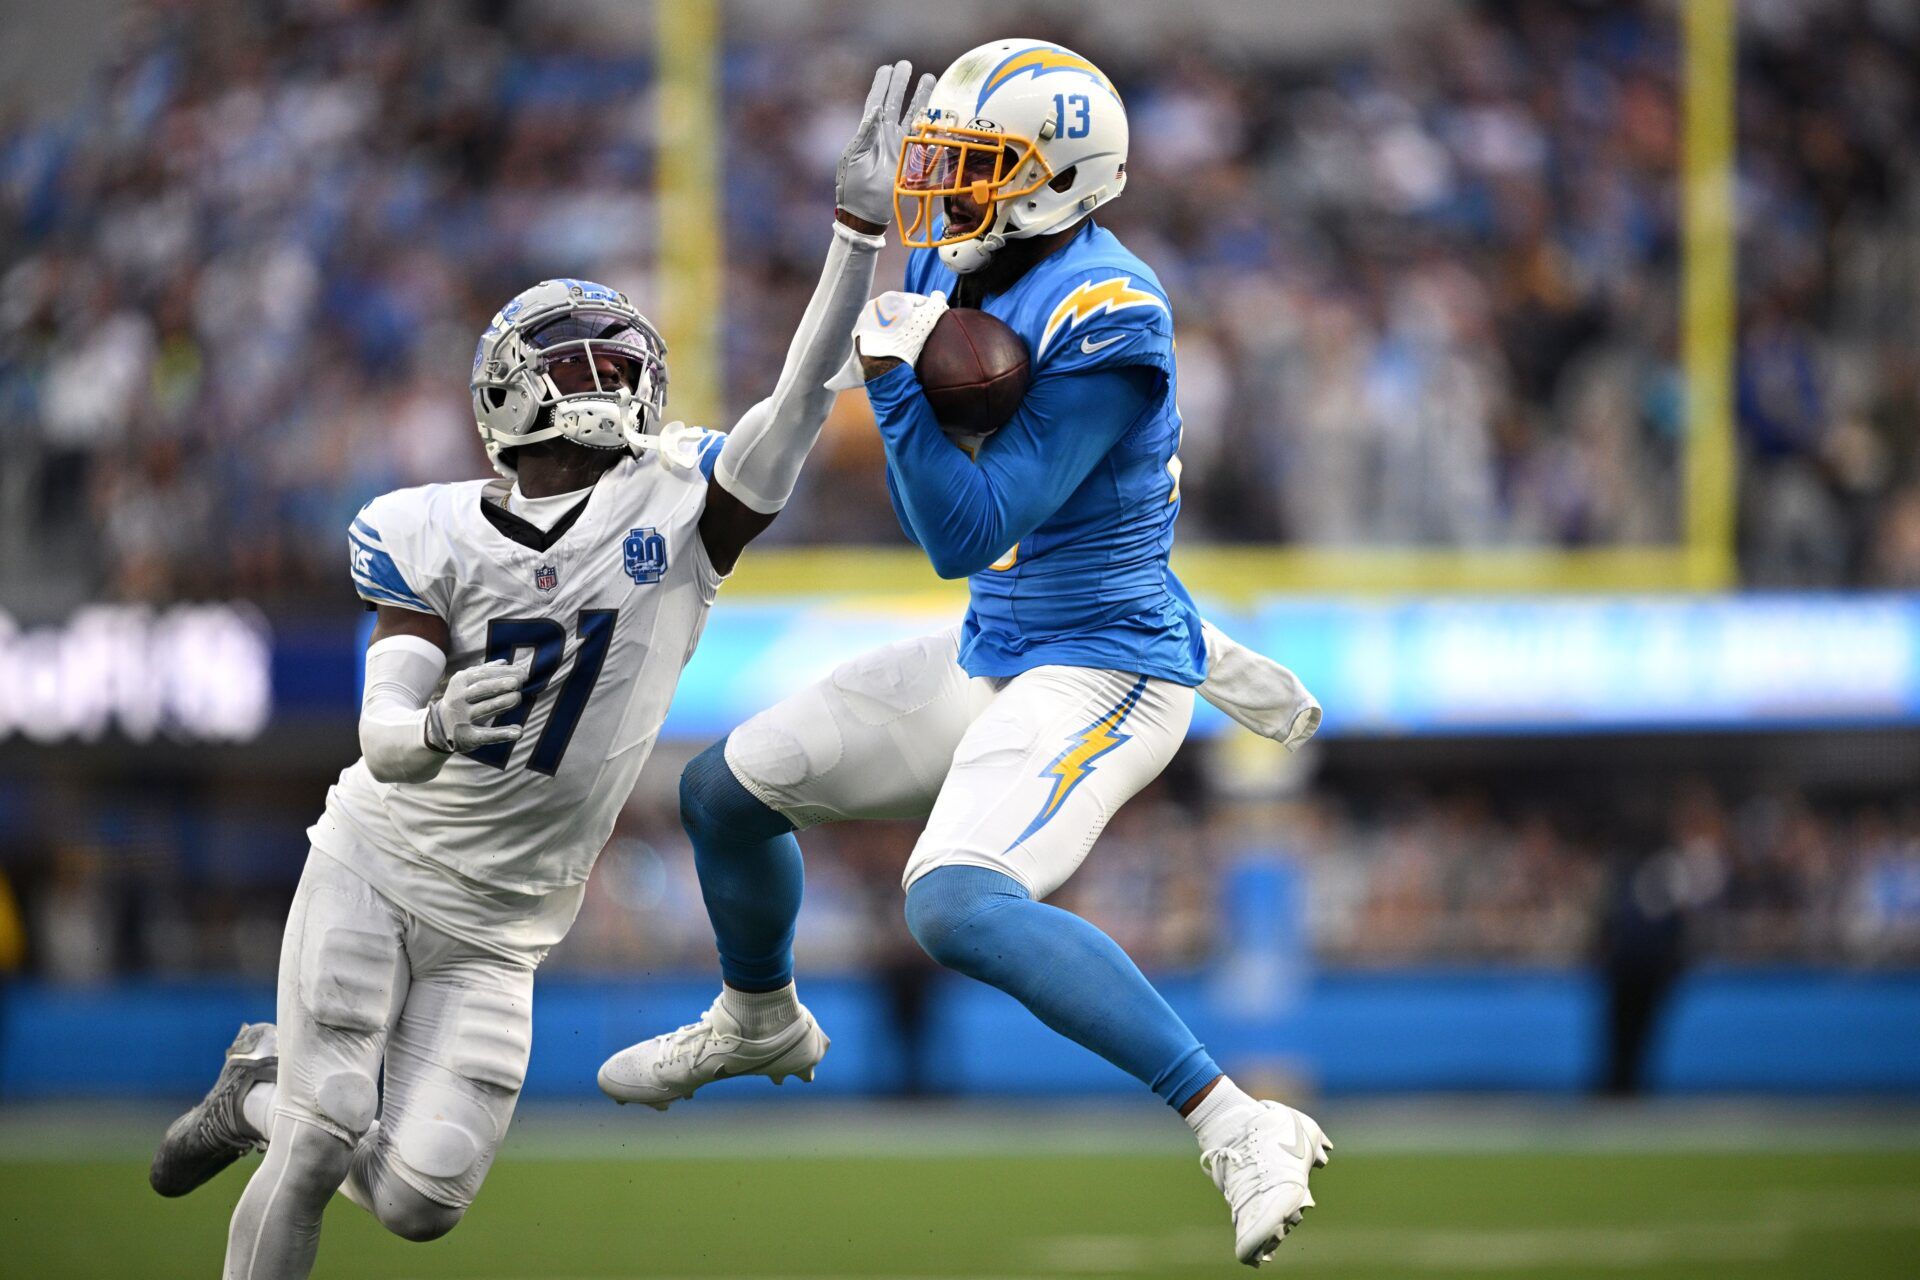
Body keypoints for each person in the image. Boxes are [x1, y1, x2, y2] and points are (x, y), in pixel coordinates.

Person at [144, 62, 935, 1280]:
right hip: (381, 857)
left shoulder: (683, 511)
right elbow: (382, 731)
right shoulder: (423, 525)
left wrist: (854, 234)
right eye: (580, 362)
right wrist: (439, 721)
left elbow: (796, 397)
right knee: (318, 1141)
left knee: (417, 1202)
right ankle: (283, 1106)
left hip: (507, 923)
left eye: (621, 364)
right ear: (507, 387)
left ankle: (254, 1083)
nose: (611, 383)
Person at [597, 40, 1329, 1269]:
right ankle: (757, 1015)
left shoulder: (1111, 309)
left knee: (952, 901)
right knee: (722, 792)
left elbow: (967, 526)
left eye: (976, 164)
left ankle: (1240, 1120)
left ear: (1063, 179)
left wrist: (892, 379)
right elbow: (857, 360)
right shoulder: (963, 248)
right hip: (1003, 643)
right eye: (945, 161)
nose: (943, 192)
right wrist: (852, 242)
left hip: (1105, 665)